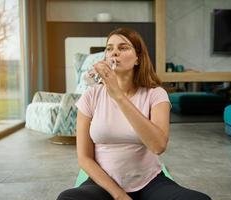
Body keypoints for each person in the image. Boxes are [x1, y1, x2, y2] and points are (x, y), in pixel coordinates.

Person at [57, 28, 211, 200]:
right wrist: (119, 195)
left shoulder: (156, 94)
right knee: (68, 198)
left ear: (138, 58)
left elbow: (158, 146)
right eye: (109, 48)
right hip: (103, 184)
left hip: (150, 182)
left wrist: (119, 96)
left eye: (123, 48)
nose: (114, 52)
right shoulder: (91, 95)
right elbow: (84, 158)